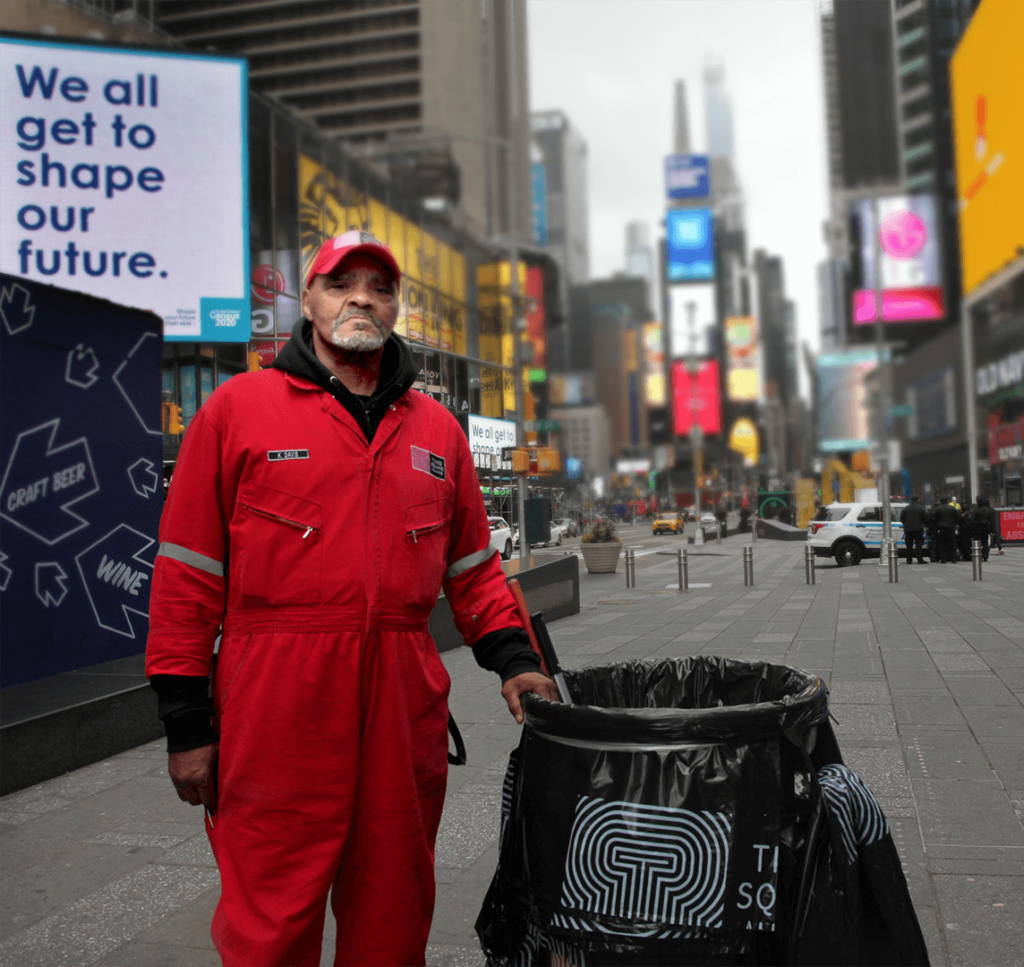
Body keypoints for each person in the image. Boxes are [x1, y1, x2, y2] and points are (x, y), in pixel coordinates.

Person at [145, 231, 557, 967]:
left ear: (396, 306)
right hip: (274, 700)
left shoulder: (437, 432)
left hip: (402, 702)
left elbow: (472, 570)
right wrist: (184, 723)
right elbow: (186, 576)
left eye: (380, 286)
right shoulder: (236, 412)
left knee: (393, 913)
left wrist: (514, 658)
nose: (361, 297)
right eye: (340, 283)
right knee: (270, 922)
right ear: (307, 301)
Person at [899, 494, 928, 564]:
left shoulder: (905, 509)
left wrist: (906, 524)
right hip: (918, 529)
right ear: (917, 500)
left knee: (909, 545)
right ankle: (920, 559)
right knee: (918, 545)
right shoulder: (921, 508)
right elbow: (926, 518)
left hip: (908, 530)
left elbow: (902, 519)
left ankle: (909, 559)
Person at [932, 496, 962, 564]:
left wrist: (937, 525)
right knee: (952, 543)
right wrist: (954, 523)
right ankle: (953, 558)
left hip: (941, 528)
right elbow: (958, 517)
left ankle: (943, 559)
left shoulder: (938, 509)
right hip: (951, 528)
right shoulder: (952, 508)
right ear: (947, 500)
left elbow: (934, 519)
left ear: (940, 501)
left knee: (942, 544)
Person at [971, 496, 1000, 561]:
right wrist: (992, 529)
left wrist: (973, 528)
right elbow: (992, 520)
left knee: (978, 542)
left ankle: (979, 555)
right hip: (986, 528)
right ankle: (985, 556)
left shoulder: (975, 510)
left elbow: (972, 520)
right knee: (985, 542)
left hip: (977, 528)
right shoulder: (987, 510)